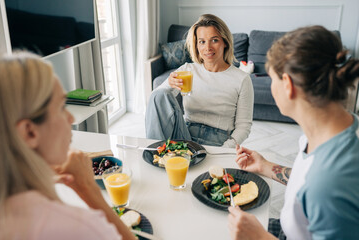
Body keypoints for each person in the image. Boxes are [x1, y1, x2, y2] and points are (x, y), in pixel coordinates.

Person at [228, 25, 359, 239]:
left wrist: (260, 237)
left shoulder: (331, 181)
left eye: (272, 79)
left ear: (287, 84)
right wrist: (265, 167)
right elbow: (306, 181)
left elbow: (318, 186)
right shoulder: (331, 130)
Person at [0, 52, 136, 240]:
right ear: (29, 132)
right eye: (61, 107)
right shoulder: (76, 227)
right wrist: (88, 188)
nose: (71, 118)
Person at [146, 14, 254, 148]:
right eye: (202, 41)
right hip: (184, 135)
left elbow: (244, 126)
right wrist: (168, 84)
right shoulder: (187, 70)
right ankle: (156, 153)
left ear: (225, 42)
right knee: (159, 94)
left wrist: (227, 148)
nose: (207, 48)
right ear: (196, 45)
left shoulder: (242, 79)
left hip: (218, 142)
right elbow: (156, 100)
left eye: (214, 40)